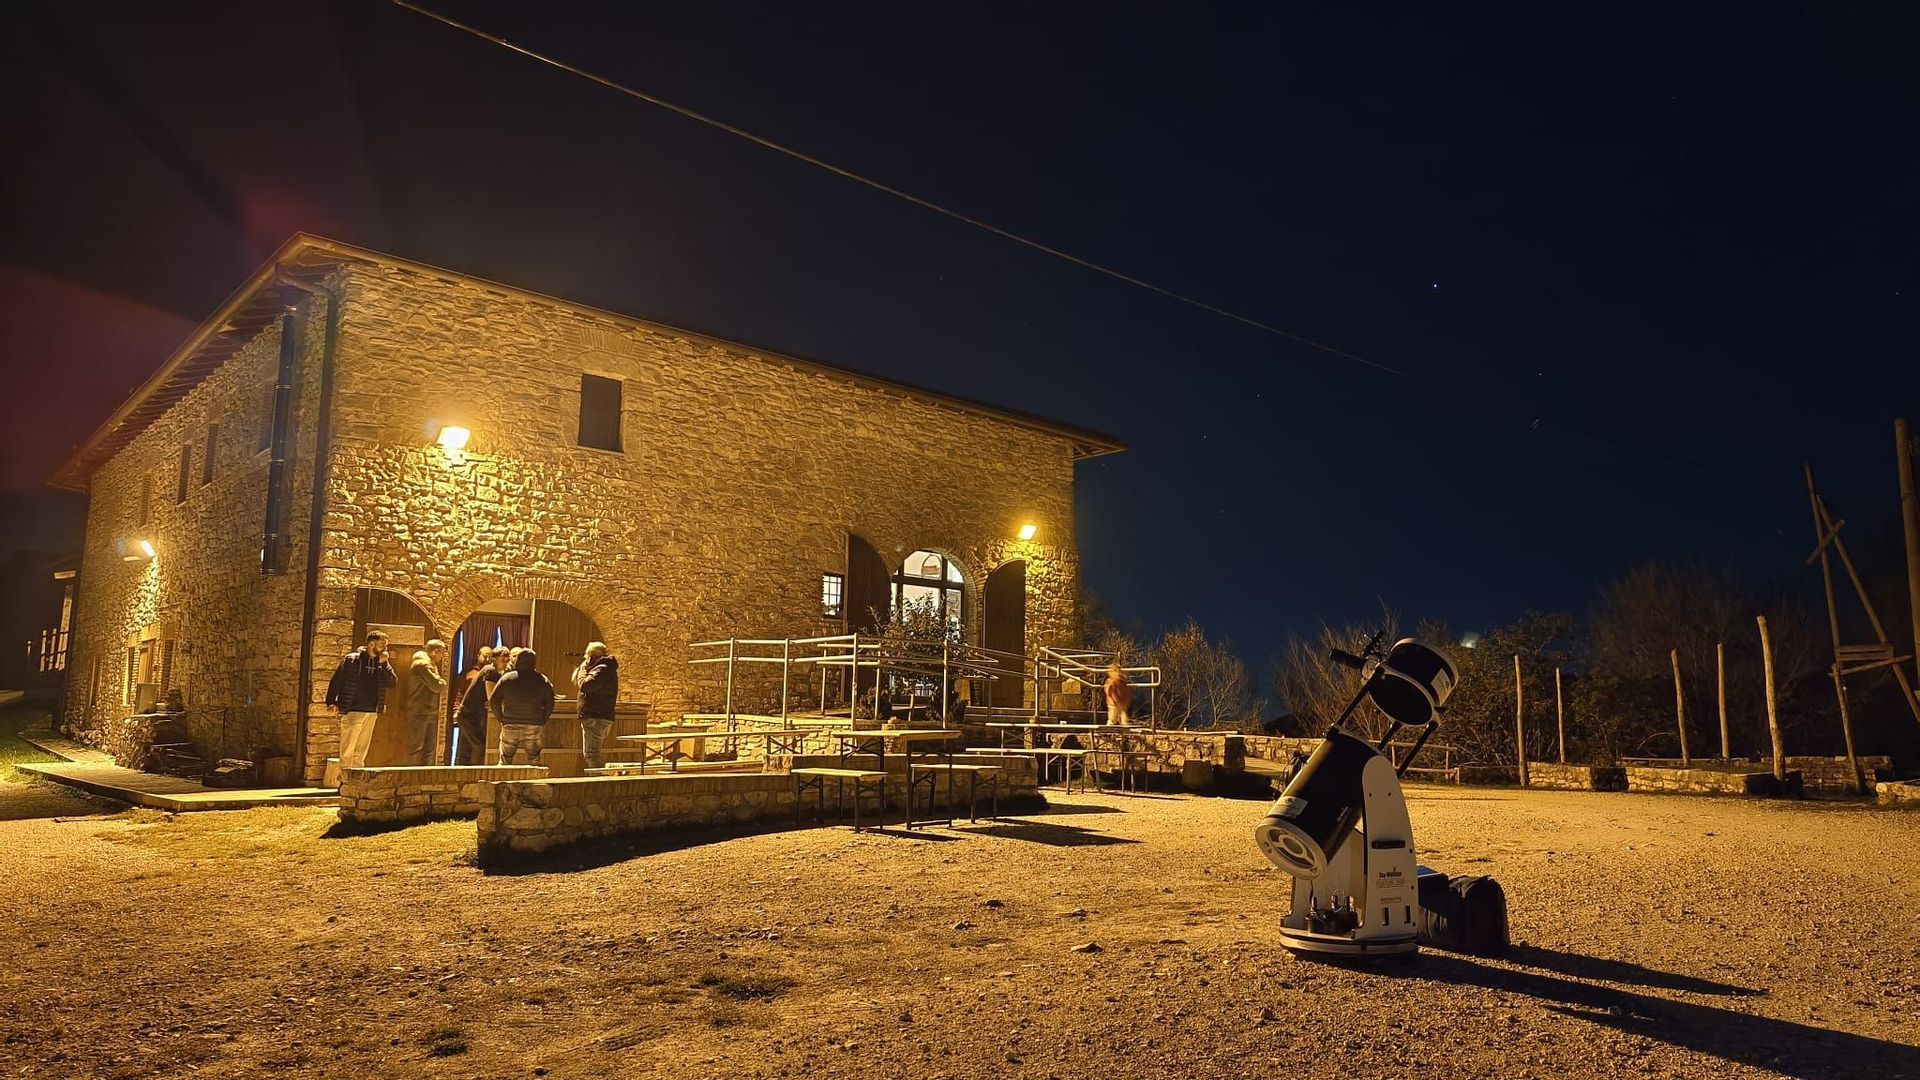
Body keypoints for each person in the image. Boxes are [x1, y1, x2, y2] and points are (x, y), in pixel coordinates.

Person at [325, 630, 396, 773]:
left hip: (371, 711)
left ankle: (356, 783)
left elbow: (392, 682)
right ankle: (344, 781)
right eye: (382, 645)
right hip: (353, 709)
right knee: (348, 749)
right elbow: (336, 680)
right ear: (371, 644)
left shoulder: (381, 663)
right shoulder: (352, 660)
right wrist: (331, 701)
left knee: (361, 750)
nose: (385, 649)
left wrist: (385, 664)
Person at [492, 647, 555, 765]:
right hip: (533, 723)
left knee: (505, 760)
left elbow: (494, 700)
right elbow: (550, 702)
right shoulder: (542, 680)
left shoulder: (507, 678)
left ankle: (502, 782)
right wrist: (542, 719)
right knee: (534, 760)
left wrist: (501, 718)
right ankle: (535, 782)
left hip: (510, 723)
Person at [453, 646, 507, 765]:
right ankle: (475, 775)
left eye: (506, 660)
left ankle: (464, 776)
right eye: (502, 660)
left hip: (470, 714)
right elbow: (491, 696)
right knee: (479, 746)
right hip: (469, 714)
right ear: (495, 659)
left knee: (467, 748)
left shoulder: (492, 671)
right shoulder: (490, 671)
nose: (505, 663)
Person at [572, 641, 619, 770]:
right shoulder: (605, 667)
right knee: (593, 754)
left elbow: (586, 685)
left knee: (592, 755)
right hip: (598, 716)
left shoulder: (602, 668)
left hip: (595, 716)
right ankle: (599, 783)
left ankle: (598, 786)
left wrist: (582, 669)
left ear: (591, 656)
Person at [403, 639, 448, 766]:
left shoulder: (430, 664)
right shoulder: (422, 665)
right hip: (419, 710)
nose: (442, 656)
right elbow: (438, 685)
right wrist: (442, 682)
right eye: (442, 653)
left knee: (429, 748)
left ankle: (425, 777)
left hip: (428, 711)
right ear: (435, 651)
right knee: (415, 746)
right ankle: (409, 777)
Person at [1104, 662, 1133, 726]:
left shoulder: (1122, 681)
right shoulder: (1111, 681)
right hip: (1113, 703)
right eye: (1115, 671)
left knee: (1124, 717)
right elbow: (1109, 691)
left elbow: (1127, 692)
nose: (1117, 672)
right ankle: (1109, 729)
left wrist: (1126, 700)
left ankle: (1125, 728)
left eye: (1118, 671)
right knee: (1113, 718)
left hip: (1120, 702)